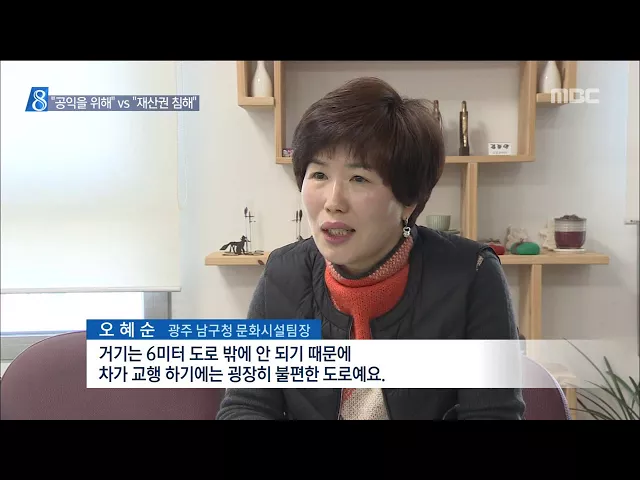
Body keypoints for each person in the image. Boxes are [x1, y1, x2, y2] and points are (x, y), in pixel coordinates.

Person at [216, 77, 525, 420]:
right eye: (319, 175)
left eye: (359, 179)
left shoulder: (472, 275)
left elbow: (492, 414)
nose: (333, 201)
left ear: (408, 201)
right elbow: (247, 406)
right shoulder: (282, 275)